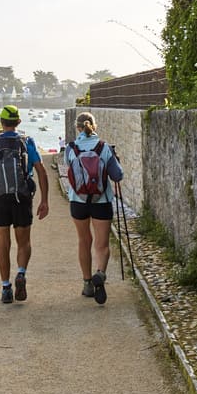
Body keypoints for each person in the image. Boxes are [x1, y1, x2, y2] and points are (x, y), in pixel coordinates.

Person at [0, 104, 49, 303]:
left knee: (3, 243)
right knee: (23, 242)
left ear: (1, 122)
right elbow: (41, 171)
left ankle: (6, 288)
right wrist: (44, 200)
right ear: (19, 122)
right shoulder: (27, 141)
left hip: (0, 197)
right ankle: (21, 273)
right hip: (22, 197)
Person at [64, 111, 123, 304]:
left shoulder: (70, 148)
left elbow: (70, 169)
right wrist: (115, 160)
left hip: (78, 201)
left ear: (77, 128)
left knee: (84, 240)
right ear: (94, 126)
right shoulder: (104, 147)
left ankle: (87, 283)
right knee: (102, 244)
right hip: (102, 201)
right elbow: (118, 176)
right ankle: (100, 274)